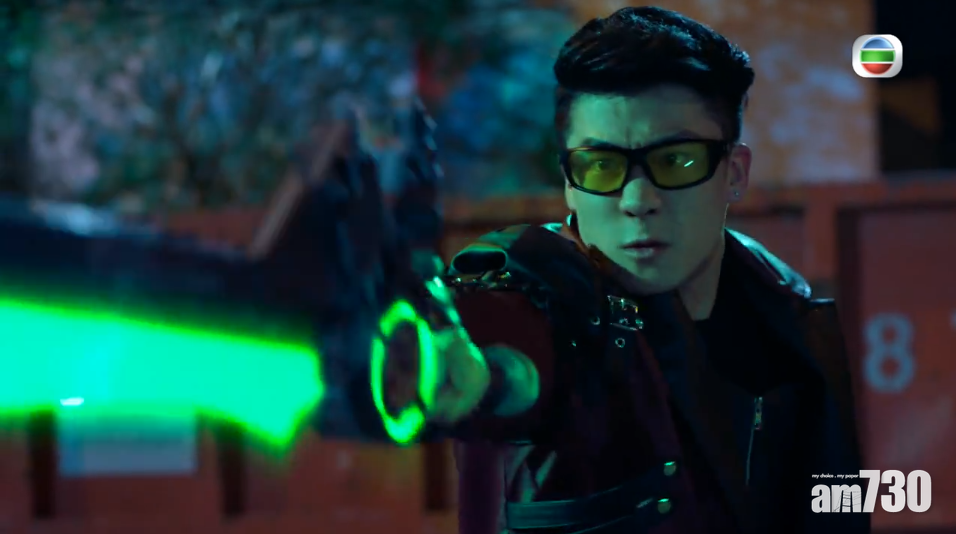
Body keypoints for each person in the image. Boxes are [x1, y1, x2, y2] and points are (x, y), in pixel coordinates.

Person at [399, 6, 868, 534]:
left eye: (676, 161)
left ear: (734, 173)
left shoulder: (785, 312)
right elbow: (506, 334)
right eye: (602, 166)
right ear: (569, 183)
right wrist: (471, 371)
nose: (638, 199)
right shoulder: (543, 292)